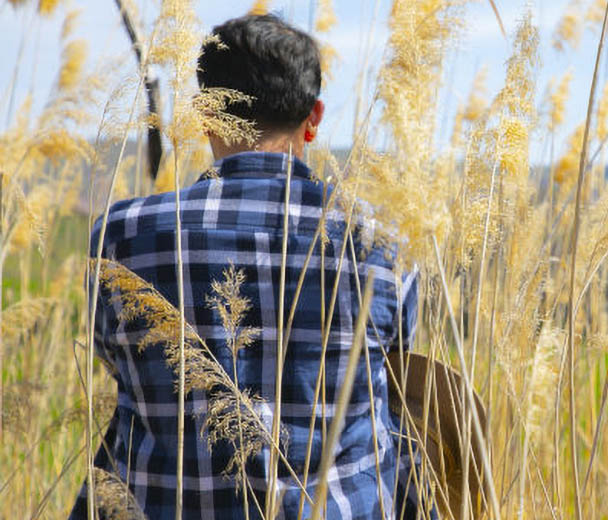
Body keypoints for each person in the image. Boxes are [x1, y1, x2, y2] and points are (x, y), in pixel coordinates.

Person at [70, 14, 426, 519]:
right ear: (314, 117)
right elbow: (396, 377)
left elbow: (117, 365)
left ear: (205, 114)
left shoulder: (122, 237)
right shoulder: (382, 245)